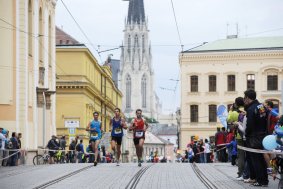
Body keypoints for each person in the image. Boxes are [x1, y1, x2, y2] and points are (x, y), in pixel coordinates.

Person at [244, 89, 268, 187]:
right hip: (263, 135)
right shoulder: (261, 106)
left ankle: (259, 180)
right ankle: (265, 180)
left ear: (248, 98)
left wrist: (247, 134)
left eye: (245, 98)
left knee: (256, 160)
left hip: (254, 137)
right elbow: (265, 119)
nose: (244, 100)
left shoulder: (250, 109)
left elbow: (249, 125)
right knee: (262, 159)